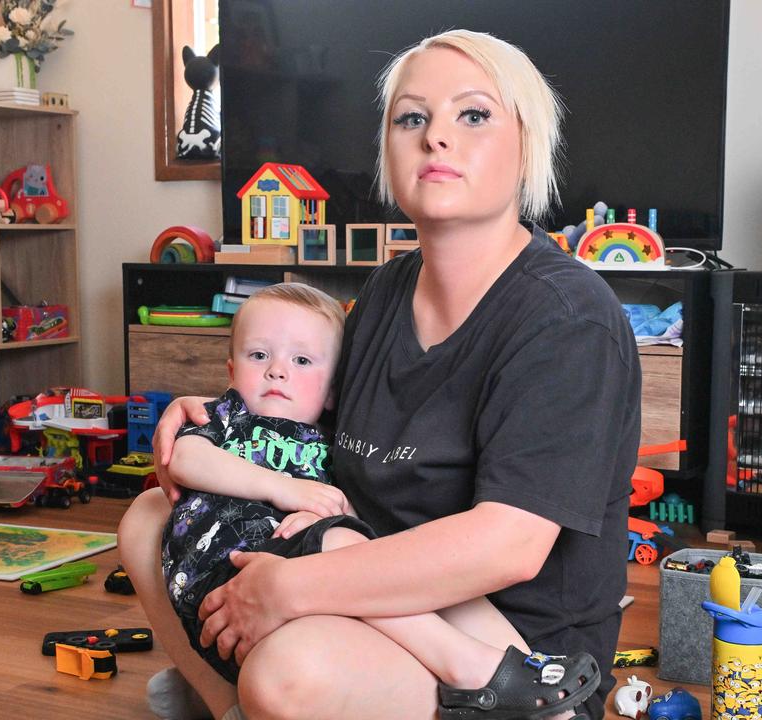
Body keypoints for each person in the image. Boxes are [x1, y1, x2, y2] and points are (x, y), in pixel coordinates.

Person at [119, 28, 640, 720]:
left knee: (287, 674)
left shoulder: (569, 320)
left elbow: (509, 547)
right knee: (151, 513)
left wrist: (293, 589)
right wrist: (222, 417)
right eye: (412, 117)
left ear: (527, 144)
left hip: (508, 650)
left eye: (474, 114)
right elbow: (308, 434)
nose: (437, 137)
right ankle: (227, 707)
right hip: (366, 570)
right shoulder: (387, 294)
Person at [162, 281, 600, 716]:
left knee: (367, 555)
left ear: (333, 392)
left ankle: (504, 670)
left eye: (301, 360)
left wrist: (336, 514)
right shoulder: (226, 417)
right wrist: (285, 489)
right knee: (343, 545)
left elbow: (353, 506)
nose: (278, 370)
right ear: (231, 372)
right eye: (259, 355)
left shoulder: (330, 441)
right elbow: (184, 456)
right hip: (225, 571)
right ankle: (467, 665)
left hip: (294, 573)